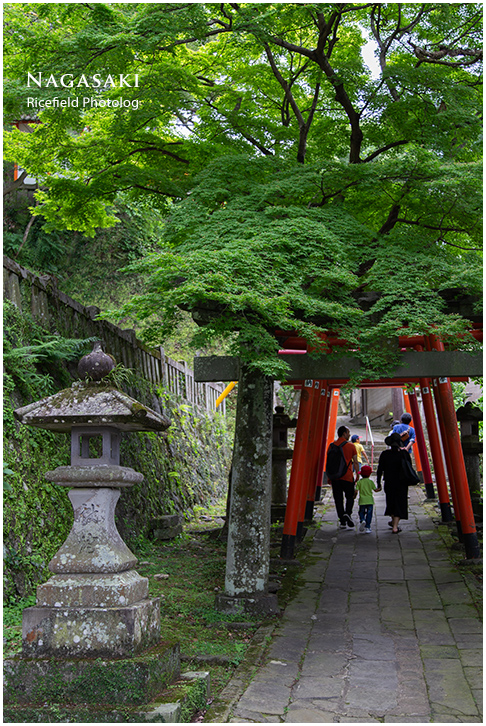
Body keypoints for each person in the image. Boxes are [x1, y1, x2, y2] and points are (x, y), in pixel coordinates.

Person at [376, 432, 413, 533]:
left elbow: (380, 470)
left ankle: (393, 523)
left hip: (389, 482)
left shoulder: (385, 454)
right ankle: (395, 526)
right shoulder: (404, 454)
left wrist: (378, 483)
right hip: (401, 482)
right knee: (400, 503)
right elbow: (409, 467)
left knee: (391, 502)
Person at [327, 425, 359, 528]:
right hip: (347, 476)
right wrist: (357, 474)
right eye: (348, 432)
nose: (349, 434)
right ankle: (347, 513)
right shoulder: (350, 446)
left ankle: (342, 521)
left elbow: (329, 462)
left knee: (338, 499)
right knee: (350, 496)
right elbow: (355, 462)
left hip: (335, 477)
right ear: (344, 433)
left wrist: (329, 476)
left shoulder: (331, 446)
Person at [355, 464, 381, 533]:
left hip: (362, 500)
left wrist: (354, 496)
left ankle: (362, 520)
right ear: (369, 474)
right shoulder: (371, 482)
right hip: (370, 500)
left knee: (361, 512)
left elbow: (356, 490)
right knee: (369, 514)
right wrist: (379, 489)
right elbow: (375, 490)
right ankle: (368, 527)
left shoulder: (359, 482)